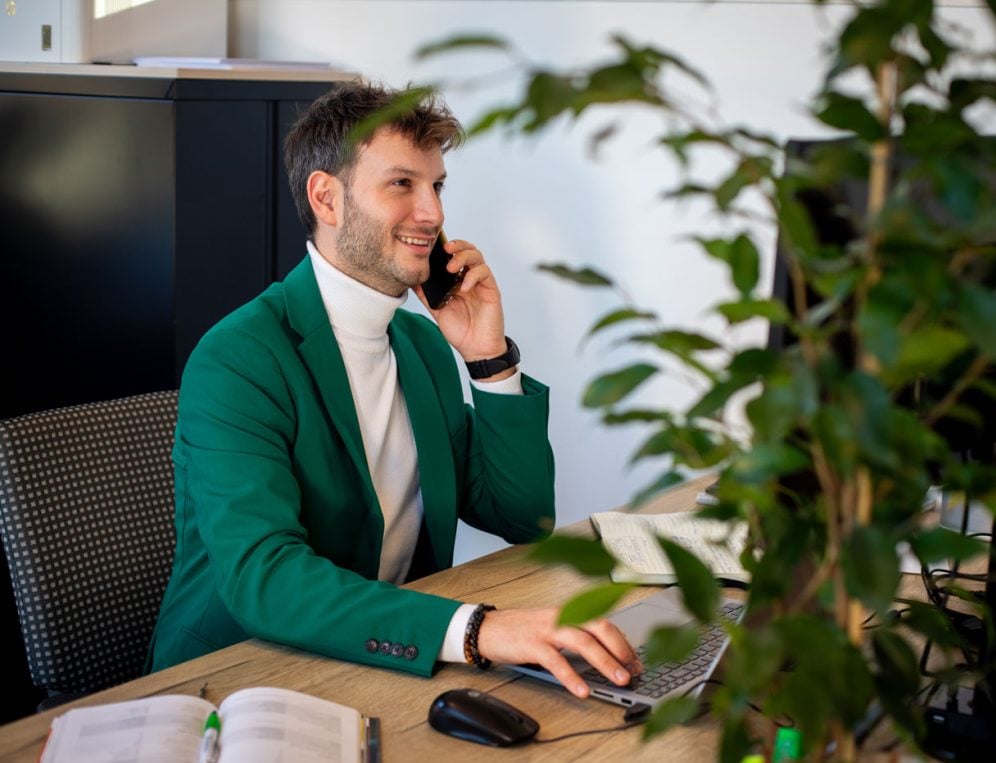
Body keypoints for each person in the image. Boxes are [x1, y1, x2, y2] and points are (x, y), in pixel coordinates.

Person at [147, 80, 641, 698]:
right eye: (401, 184)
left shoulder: (421, 345)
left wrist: (488, 360)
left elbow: (523, 516)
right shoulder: (240, 358)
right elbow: (265, 578)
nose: (432, 213)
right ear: (327, 199)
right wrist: (474, 630)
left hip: (384, 662)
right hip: (238, 678)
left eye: (435, 186)